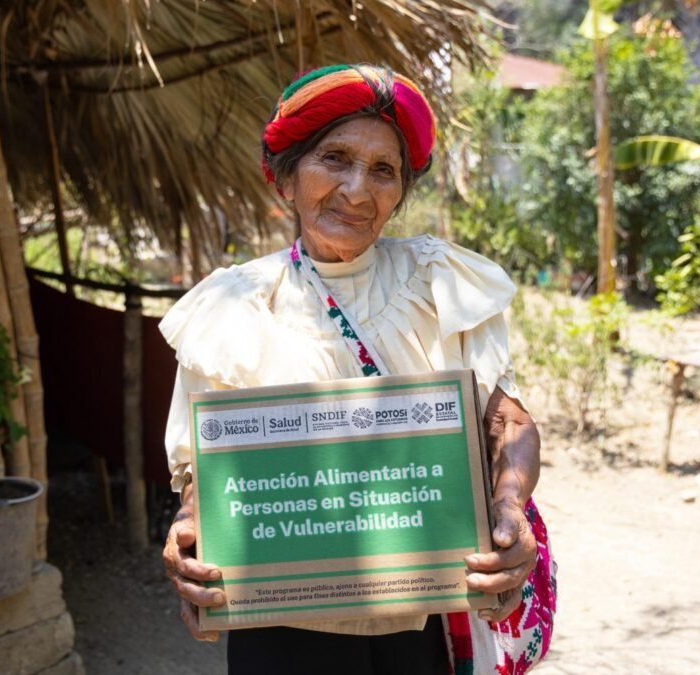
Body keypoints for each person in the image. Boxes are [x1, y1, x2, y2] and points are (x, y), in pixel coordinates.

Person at [160, 64, 554, 674]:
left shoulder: (437, 281)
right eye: (335, 159)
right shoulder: (234, 305)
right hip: (280, 626)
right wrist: (188, 531)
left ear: (399, 193)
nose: (356, 189)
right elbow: (203, 468)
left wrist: (509, 506)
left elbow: (509, 425)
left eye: (383, 170)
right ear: (287, 178)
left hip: (422, 616)